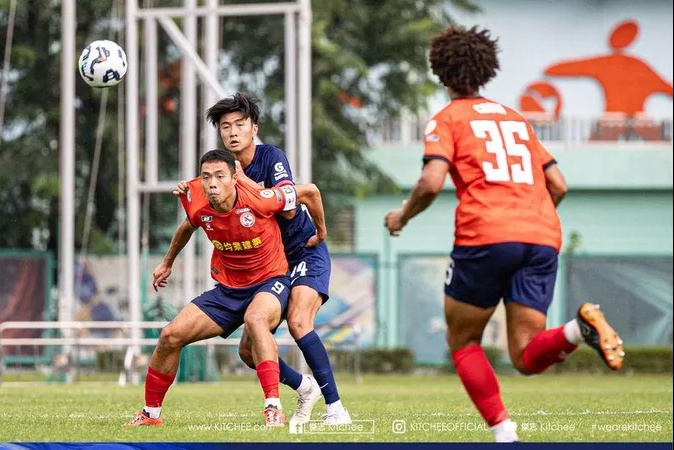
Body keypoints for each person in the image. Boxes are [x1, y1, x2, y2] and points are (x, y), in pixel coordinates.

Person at [384, 26, 625, 443]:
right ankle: (577, 329)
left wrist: (402, 217)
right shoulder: (516, 120)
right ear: (486, 69)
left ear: (440, 71)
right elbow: (559, 184)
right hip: (542, 235)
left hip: (486, 234)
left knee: (463, 340)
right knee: (526, 355)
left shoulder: (448, 119)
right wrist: (528, 222)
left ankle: (504, 433)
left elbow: (431, 182)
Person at [125, 149, 327, 428]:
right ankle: (150, 415)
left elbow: (311, 192)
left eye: (220, 176)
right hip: (228, 290)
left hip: (271, 281)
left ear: (235, 178)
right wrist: (167, 262)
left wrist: (321, 232)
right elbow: (187, 226)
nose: (212, 183)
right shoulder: (197, 200)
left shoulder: (261, 198)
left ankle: (272, 409)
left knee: (255, 320)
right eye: (206, 177)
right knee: (171, 336)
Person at [200, 92, 351, 425]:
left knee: (299, 322)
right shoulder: (221, 171)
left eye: (240, 124)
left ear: (254, 128)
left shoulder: (270, 157)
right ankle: (304, 386)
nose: (233, 132)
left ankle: (336, 408)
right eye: (225, 126)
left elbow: (291, 207)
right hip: (270, 266)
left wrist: (321, 231)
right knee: (247, 350)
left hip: (303, 251)